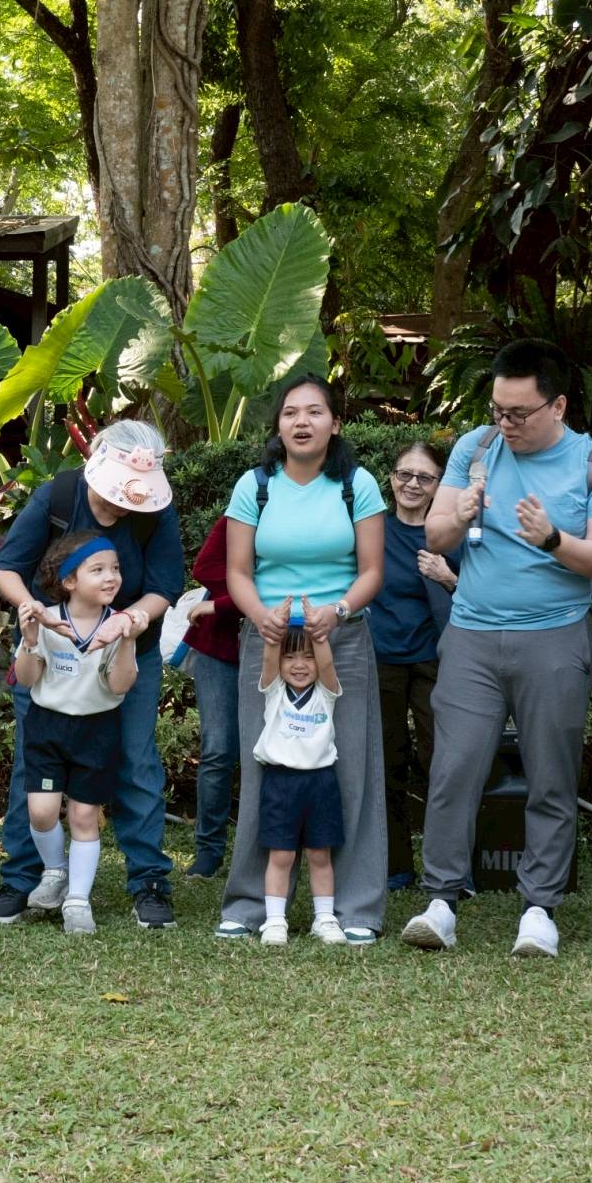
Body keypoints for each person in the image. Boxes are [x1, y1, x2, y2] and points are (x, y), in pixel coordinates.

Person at [403, 340, 592, 957]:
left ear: (556, 405)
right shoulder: (475, 448)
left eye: (519, 413)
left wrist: (553, 538)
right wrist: (460, 513)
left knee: (551, 775)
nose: (506, 423)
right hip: (472, 634)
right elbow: (438, 533)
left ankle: (539, 911)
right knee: (453, 769)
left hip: (554, 636)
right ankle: (442, 901)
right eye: (499, 409)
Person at [0, 421, 182, 930]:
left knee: (135, 760)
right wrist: (35, 611)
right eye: (118, 493)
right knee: (35, 762)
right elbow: (7, 567)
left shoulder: (154, 512)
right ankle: (25, 875)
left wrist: (131, 620)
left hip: (125, 651)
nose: (123, 506)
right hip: (49, 644)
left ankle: (148, 881)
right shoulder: (59, 496)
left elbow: (164, 586)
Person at [215, 374, 387, 942]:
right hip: (268, 640)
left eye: (315, 412)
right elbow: (237, 572)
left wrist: (336, 611)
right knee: (264, 760)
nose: (302, 422)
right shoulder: (254, 485)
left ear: (336, 423)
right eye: (291, 412)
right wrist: (258, 614)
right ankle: (249, 904)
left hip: (343, 637)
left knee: (351, 766)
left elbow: (372, 573)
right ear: (279, 425)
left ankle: (357, 908)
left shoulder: (356, 484)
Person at [12, 530, 140, 935]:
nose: (111, 578)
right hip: (48, 726)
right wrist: (31, 639)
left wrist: (129, 640)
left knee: (85, 816)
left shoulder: (118, 623)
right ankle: (55, 871)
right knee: (42, 811)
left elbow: (120, 686)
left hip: (97, 729)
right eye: (98, 569)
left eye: (115, 569)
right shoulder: (48, 620)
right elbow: (28, 679)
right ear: (69, 581)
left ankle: (78, 901)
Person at [368, 440, 456, 893]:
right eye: (405, 474)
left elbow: (481, 598)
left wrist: (448, 577)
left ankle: (450, 869)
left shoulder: (448, 535)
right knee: (386, 763)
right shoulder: (373, 529)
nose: (412, 484)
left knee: (442, 762)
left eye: (425, 477)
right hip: (380, 659)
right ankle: (395, 865)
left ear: (440, 486)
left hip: (435, 659)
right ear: (391, 478)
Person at [254, 604, 346, 947]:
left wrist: (317, 631)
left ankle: (325, 918)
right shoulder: (274, 691)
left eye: (306, 657)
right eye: (291, 657)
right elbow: (268, 659)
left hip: (320, 782)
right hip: (281, 782)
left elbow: (326, 664)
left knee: (320, 855)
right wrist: (275, 626)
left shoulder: (326, 692)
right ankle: (275, 921)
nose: (299, 665)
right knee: (281, 855)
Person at [178, 515, 242, 879]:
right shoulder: (244, 508)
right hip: (219, 647)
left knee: (265, 753)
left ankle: (264, 848)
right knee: (218, 748)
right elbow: (206, 566)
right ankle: (209, 850)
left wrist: (225, 602)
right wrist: (242, 598)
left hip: (281, 648)